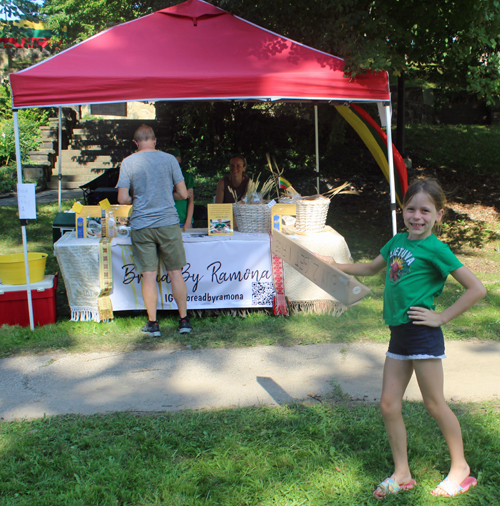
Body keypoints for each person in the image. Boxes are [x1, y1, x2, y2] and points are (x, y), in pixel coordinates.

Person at [317, 178, 486, 499]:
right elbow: (370, 268)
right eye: (411, 209)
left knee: (435, 405)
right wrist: (335, 266)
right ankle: (402, 473)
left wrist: (441, 317)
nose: (417, 216)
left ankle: (461, 469)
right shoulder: (397, 242)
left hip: (423, 336)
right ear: (402, 210)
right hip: (399, 336)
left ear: (439, 215)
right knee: (389, 404)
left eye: (425, 210)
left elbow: (477, 288)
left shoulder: (436, 248)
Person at [116, 125, 193, 337]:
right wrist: (167, 196)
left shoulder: (129, 162)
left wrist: (139, 198)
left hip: (142, 225)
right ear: (155, 140)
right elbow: (183, 193)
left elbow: (122, 199)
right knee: (175, 272)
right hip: (168, 223)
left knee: (148, 275)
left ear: (136, 143)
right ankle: (184, 320)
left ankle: (153, 323)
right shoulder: (169, 160)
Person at [166, 147, 195, 230]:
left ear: (179, 159)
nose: (170, 161)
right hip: (166, 221)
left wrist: (188, 222)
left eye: (173, 158)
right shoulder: (161, 177)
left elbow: (191, 201)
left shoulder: (187, 176)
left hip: (183, 220)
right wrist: (181, 194)